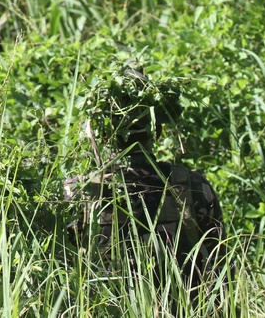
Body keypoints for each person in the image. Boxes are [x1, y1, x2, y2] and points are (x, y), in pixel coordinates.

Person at [63, 68, 227, 307]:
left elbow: (63, 277)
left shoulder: (78, 192)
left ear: (103, 133)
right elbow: (221, 272)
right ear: (158, 130)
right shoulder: (193, 186)